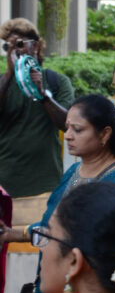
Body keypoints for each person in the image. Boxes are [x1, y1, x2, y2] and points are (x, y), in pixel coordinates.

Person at [0, 94, 115, 293]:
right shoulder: (73, 171)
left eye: (77, 129)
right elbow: (53, 225)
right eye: (68, 127)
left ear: (105, 134)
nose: (68, 135)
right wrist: (12, 234)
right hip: (50, 289)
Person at [0, 18, 74, 232]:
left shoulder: (57, 82)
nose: (15, 50)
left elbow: (67, 125)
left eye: (21, 44)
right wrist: (8, 74)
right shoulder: (3, 83)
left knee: (38, 248)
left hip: (44, 187)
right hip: (5, 188)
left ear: (37, 46)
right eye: (9, 46)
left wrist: (43, 95)